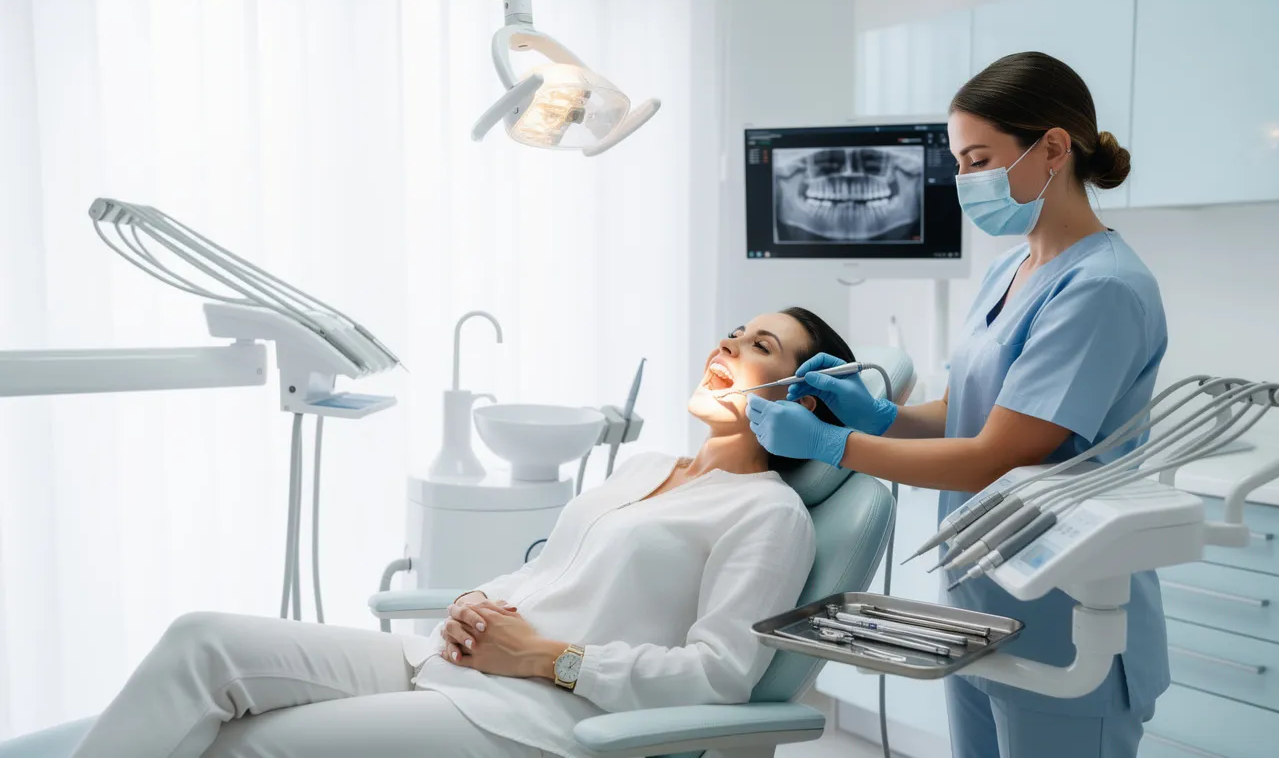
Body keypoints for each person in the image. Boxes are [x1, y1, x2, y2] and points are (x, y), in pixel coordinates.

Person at [71, 308, 855, 758]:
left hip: (538, 719)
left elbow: (719, 676)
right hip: (454, 662)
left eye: (761, 347)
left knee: (242, 746)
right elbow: (549, 570)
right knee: (203, 642)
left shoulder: (767, 514)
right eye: (734, 333)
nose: (729, 346)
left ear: (807, 399)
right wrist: (475, 602)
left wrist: (546, 657)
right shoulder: (647, 466)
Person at [748, 52, 1169, 758]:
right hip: (981, 593)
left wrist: (831, 445)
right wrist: (881, 416)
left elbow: (994, 457)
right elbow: (972, 410)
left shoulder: (1103, 288)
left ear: (1054, 148)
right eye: (959, 162)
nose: (964, 180)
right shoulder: (1011, 268)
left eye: (979, 160)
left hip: (1064, 606)